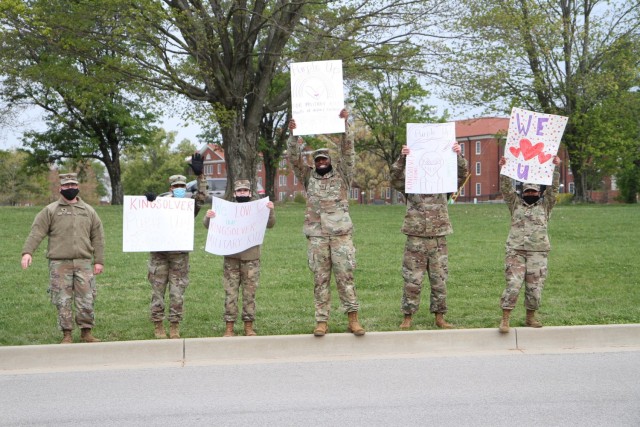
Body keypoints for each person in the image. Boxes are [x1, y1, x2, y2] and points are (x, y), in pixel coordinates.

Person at [287, 109, 365, 337]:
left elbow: (348, 153)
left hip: (340, 236)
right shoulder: (308, 176)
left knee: (345, 278)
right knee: (320, 281)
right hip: (317, 236)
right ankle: (321, 321)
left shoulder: (342, 175)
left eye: (324, 159)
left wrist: (345, 125)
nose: (321, 162)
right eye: (317, 159)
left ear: (330, 161)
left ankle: (353, 319)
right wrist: (292, 135)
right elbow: (293, 158)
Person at [390, 142, 469, 330]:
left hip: (438, 238)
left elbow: (462, 174)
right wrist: (403, 157)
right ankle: (407, 316)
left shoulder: (445, 184)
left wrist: (458, 155)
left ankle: (440, 316)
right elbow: (395, 178)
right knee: (412, 279)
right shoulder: (411, 185)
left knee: (439, 279)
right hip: (415, 237)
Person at [21, 173, 104, 344]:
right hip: (59, 263)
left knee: (87, 298)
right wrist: (27, 252)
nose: (70, 188)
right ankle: (66, 334)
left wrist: (99, 261)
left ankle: (86, 332)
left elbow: (98, 236)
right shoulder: (50, 210)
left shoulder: (88, 211)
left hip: (83, 263)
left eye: (73, 185)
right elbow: (37, 232)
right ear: (60, 188)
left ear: (78, 187)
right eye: (66, 186)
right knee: (62, 299)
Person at [145, 154, 207, 339]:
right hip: (159, 255)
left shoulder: (189, 205)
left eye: (182, 186)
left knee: (177, 292)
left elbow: (202, 197)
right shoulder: (159, 202)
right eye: (176, 186)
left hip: (179, 255)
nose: (179, 189)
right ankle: (158, 325)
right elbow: (142, 215)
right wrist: (147, 201)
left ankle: (174, 325)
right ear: (170, 187)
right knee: (157, 291)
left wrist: (200, 176)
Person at [203, 180, 275, 337]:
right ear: (235, 194)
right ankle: (229, 326)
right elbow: (208, 226)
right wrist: (209, 217)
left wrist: (270, 211)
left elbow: (270, 224)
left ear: (250, 193)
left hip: (251, 258)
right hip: (231, 258)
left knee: (249, 293)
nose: (242, 193)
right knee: (231, 293)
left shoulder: (258, 208)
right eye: (239, 191)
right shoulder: (226, 210)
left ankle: (248, 326)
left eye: (245, 191)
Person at [497, 155, 561, 333]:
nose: (531, 194)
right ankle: (505, 319)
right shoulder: (515, 203)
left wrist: (555, 169)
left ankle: (530, 317)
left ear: (539, 193)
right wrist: (504, 169)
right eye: (527, 192)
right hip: (516, 251)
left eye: (534, 192)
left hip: (538, 252)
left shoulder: (545, 205)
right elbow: (506, 189)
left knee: (535, 287)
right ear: (522, 192)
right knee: (513, 284)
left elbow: (554, 189)